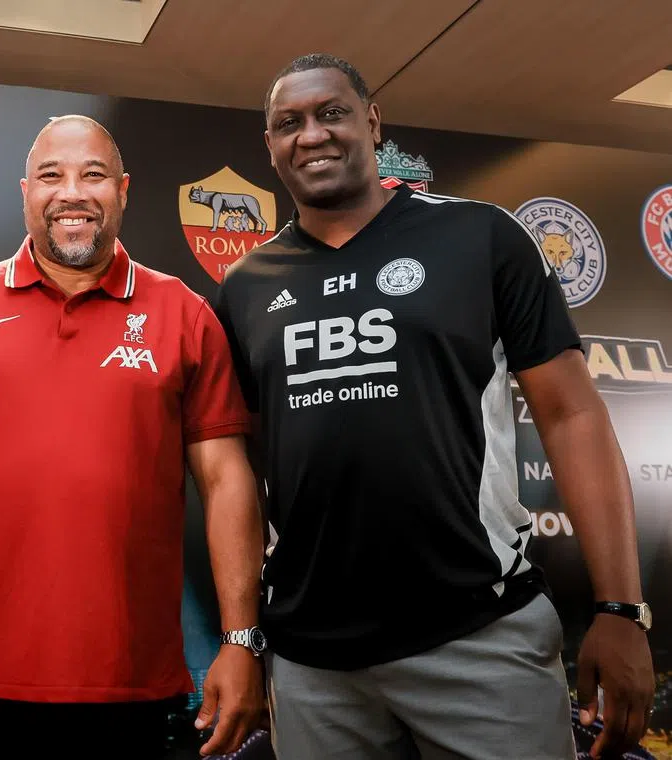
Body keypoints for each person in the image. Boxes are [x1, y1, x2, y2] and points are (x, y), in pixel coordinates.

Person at [213, 53, 656, 760]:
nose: (312, 135)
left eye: (332, 113)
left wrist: (620, 608)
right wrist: (244, 638)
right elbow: (235, 471)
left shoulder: (481, 238)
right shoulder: (243, 286)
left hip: (478, 638)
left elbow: (572, 416)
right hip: (313, 662)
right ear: (269, 147)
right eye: (287, 124)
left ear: (372, 122)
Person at [0, 115, 266, 760]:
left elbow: (226, 481)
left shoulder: (185, 313)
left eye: (94, 175)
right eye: (51, 175)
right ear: (25, 190)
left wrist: (240, 638)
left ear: (124, 190)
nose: (72, 192)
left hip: (132, 690)